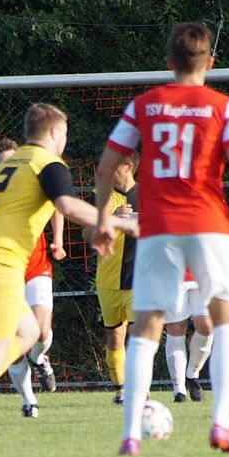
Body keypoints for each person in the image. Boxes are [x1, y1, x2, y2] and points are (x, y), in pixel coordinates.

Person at [93, 22, 229, 456]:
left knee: (147, 327)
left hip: (158, 227)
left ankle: (130, 435)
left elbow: (107, 165)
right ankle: (221, 425)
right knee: (225, 320)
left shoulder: (144, 105)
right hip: (209, 225)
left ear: (169, 63)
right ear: (210, 63)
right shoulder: (227, 107)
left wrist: (102, 220)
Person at [0, 103, 136, 446]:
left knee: (29, 331)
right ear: (55, 132)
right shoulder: (49, 164)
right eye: (65, 134)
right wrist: (119, 223)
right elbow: (67, 206)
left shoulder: (5, 166)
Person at [0, 137, 65, 418]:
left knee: (42, 330)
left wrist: (58, 240)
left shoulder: (34, 185)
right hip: (5, 274)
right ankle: (28, 401)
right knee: (14, 341)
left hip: (36, 268)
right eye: (2, 164)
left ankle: (39, 358)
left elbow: (58, 204)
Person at [82, 153, 138, 405]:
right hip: (108, 280)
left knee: (138, 338)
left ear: (128, 166)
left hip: (140, 280)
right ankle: (120, 389)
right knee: (115, 338)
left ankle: (139, 391)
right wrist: (111, 218)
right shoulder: (100, 196)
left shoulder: (148, 194)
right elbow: (86, 233)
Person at [163, 274, 213, 403]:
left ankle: (192, 375)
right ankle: (179, 389)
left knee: (206, 326)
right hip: (173, 272)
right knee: (176, 326)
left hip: (203, 272)